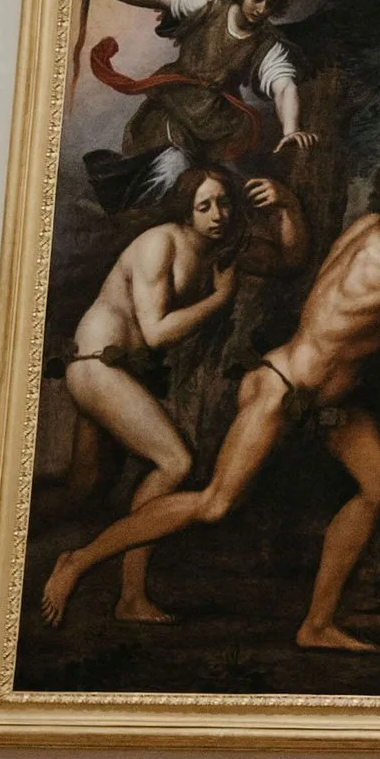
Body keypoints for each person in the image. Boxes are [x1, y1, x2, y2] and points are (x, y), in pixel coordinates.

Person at [39, 151, 380, 652]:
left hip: (323, 400)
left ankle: (315, 626)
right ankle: (79, 560)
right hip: (282, 389)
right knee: (216, 503)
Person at [60, 160, 306, 624]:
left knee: (86, 489)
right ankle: (120, 588)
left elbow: (291, 261)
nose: (219, 214)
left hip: (120, 373)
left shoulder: (219, 251)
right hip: (96, 366)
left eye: (225, 202)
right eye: (205, 205)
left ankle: (113, 588)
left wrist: (289, 205)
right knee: (175, 463)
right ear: (186, 210)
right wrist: (219, 299)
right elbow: (154, 333)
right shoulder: (162, 243)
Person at [76, 0, 318, 214]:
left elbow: (283, 86)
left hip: (215, 124)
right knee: (169, 168)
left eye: (270, 4)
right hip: (172, 106)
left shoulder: (268, 45)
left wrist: (292, 128)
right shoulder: (207, 5)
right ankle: (134, 217)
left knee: (203, 185)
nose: (262, 9)